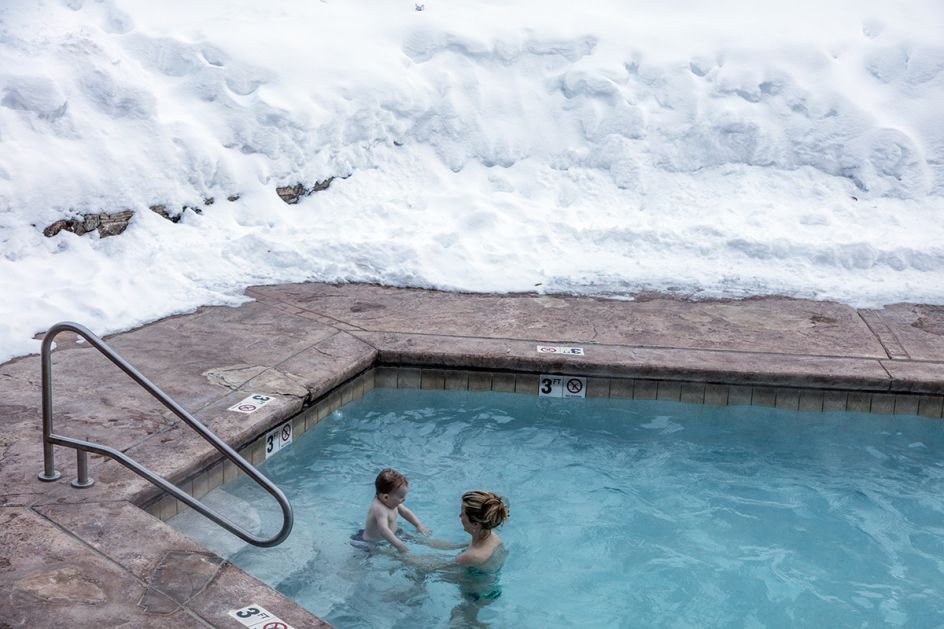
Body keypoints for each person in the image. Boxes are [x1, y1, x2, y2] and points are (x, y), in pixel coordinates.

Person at [358, 468, 430, 553]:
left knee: (419, 540)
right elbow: (383, 530)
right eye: (401, 497)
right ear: (386, 497)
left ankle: (445, 547)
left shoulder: (391, 502)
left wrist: (418, 525)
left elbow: (405, 512)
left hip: (393, 535)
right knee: (398, 556)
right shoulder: (379, 509)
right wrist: (399, 546)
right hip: (375, 543)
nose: (404, 499)